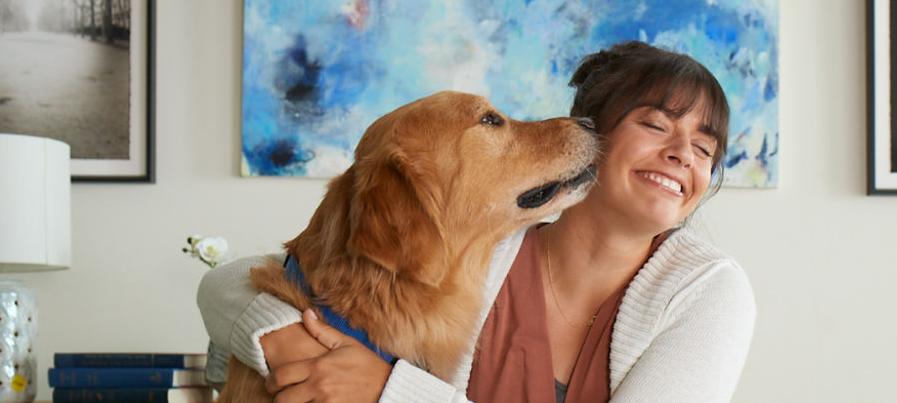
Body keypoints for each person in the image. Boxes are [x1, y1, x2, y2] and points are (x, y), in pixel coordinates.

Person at [196, 41, 756, 403]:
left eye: (707, 148)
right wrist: (282, 337)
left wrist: (390, 391)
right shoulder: (481, 241)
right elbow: (231, 282)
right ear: (593, 131)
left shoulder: (708, 292)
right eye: (657, 126)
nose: (686, 154)